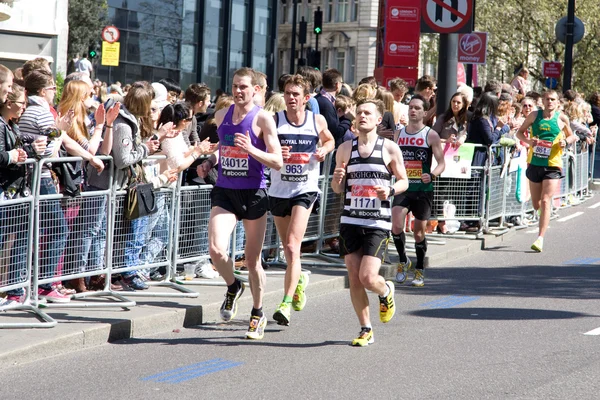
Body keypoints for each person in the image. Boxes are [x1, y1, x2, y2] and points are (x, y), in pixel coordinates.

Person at [196, 67, 282, 340]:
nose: (238, 91)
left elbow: (277, 161)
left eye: (244, 86)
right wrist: (210, 161)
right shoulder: (221, 116)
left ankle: (257, 312)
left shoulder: (263, 119)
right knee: (215, 249)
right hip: (226, 190)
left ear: (256, 89)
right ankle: (233, 285)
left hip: (253, 193)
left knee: (253, 260)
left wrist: (252, 150)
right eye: (235, 86)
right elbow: (224, 149)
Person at [331, 98, 408, 346]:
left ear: (378, 120)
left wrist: (390, 191)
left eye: (368, 113)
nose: (362, 116)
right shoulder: (344, 149)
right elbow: (337, 189)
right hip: (350, 220)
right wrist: (338, 178)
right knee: (353, 277)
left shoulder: (389, 148)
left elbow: (404, 180)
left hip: (377, 222)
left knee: (367, 277)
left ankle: (384, 290)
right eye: (359, 112)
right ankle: (365, 328)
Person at [269, 74, 335, 326]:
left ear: (306, 98)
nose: (291, 98)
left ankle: (284, 303)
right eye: (287, 93)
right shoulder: (275, 121)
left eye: (296, 94)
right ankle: (299, 282)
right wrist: (276, 151)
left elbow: (330, 140)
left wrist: (323, 150)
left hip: (304, 189)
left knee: (293, 244)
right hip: (278, 190)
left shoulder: (315, 120)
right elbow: (264, 146)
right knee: (287, 249)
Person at [0, 83, 47, 307]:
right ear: (9, 103)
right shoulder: (1, 125)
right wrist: (20, 153)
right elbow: (3, 156)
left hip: (17, 191)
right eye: (21, 104)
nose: (24, 108)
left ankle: (16, 290)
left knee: (21, 239)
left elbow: (20, 148)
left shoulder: (12, 125)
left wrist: (33, 148)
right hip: (6, 191)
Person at [393, 95, 445, 287]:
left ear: (424, 112)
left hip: (423, 189)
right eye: (410, 108)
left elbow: (441, 163)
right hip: (404, 187)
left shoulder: (430, 135)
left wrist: (431, 175)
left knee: (418, 233)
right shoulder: (398, 134)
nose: (412, 111)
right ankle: (402, 260)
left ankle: (420, 267)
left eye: (417, 108)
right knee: (396, 225)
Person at [516, 90, 576, 252]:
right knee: (536, 204)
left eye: (553, 99)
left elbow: (572, 136)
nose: (550, 102)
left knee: (545, 200)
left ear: (557, 102)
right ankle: (544, 213)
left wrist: (565, 142)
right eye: (547, 99)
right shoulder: (534, 116)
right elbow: (519, 132)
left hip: (553, 164)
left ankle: (540, 238)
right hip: (535, 162)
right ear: (542, 101)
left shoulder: (562, 118)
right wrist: (529, 141)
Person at [432, 92, 469, 233]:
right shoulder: (443, 118)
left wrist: (463, 139)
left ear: (464, 104)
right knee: (441, 191)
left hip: (458, 161)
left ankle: (453, 220)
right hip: (442, 159)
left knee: (453, 191)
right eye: (453, 101)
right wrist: (445, 141)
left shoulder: (466, 119)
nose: (455, 104)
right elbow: (433, 135)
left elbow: (466, 134)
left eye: (459, 102)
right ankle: (441, 222)